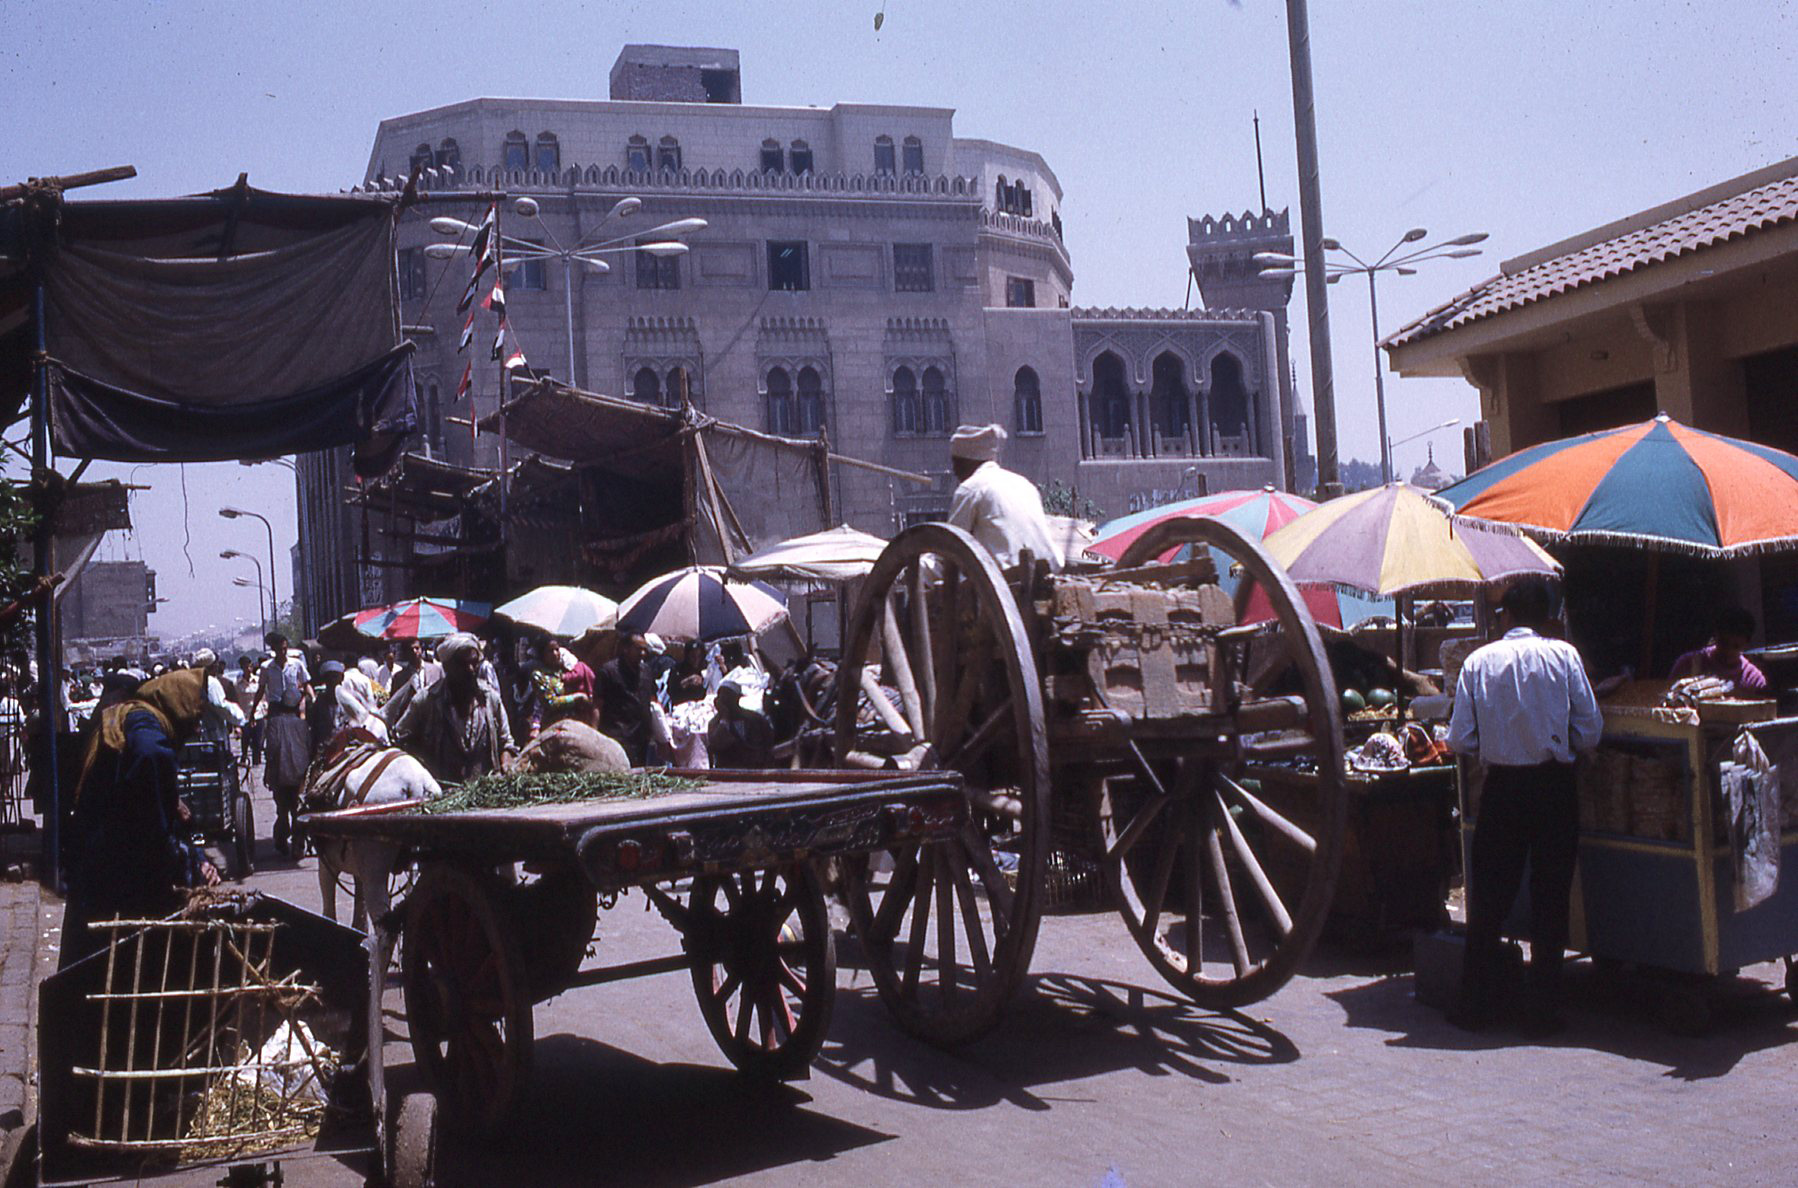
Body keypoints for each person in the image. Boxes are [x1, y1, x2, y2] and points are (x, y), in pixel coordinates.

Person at [1447, 578, 1603, 1036]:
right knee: (1550, 898)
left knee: (1489, 900)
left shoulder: (1478, 662)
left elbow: (1460, 738)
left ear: (1507, 616)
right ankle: (1542, 1012)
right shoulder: (1564, 656)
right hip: (1554, 788)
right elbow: (1590, 729)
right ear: (1545, 618)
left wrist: (1495, 741)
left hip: (1502, 789)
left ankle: (1475, 1006)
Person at [60, 668, 221, 968]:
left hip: (99, 858)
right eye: (195, 718)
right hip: (116, 867)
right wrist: (186, 860)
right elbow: (149, 776)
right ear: (178, 704)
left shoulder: (132, 717)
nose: (197, 728)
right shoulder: (146, 728)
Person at [393, 633, 516, 783]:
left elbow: (506, 742)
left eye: (474, 663)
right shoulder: (426, 701)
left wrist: (506, 764)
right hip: (441, 790)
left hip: (486, 790)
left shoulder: (490, 699)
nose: (470, 669)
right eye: (462, 664)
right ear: (447, 667)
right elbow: (401, 738)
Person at [945, 423, 1065, 571]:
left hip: (1005, 577)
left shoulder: (970, 488)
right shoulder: (1023, 483)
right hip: (1046, 569)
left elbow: (949, 548)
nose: (954, 470)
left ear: (965, 461)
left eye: (956, 463)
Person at [254, 633, 311, 856]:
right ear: (274, 650)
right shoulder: (266, 668)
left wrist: (309, 703)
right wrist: (252, 712)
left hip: (294, 713)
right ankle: (274, 780)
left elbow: (306, 686)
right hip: (276, 714)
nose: (283, 652)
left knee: (302, 752)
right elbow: (261, 691)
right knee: (276, 753)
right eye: (280, 649)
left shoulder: (296, 664)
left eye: (285, 648)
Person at [596, 632, 662, 765]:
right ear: (625, 649)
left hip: (641, 737)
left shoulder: (646, 671)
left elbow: (653, 698)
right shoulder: (608, 671)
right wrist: (594, 733)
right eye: (638, 649)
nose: (643, 653)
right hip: (618, 736)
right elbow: (597, 704)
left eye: (645, 649)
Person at [1670, 606, 1768, 691]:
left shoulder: (1752, 678)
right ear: (1715, 636)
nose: (1728, 651)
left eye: (1736, 646)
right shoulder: (1688, 664)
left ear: (1746, 644)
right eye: (1724, 643)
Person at [706, 680, 777, 769]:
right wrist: (725, 718)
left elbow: (768, 742)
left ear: (736, 699)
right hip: (728, 769)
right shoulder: (715, 723)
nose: (724, 701)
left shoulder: (755, 719)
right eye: (721, 698)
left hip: (754, 768)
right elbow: (716, 743)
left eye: (728, 697)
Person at [231, 654, 263, 765]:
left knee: (257, 742)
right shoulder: (237, 684)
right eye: (245, 667)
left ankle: (257, 763)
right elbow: (235, 701)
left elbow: (264, 697)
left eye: (249, 666)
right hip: (245, 716)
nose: (248, 669)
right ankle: (244, 761)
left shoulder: (258, 681)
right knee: (245, 741)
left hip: (258, 715)